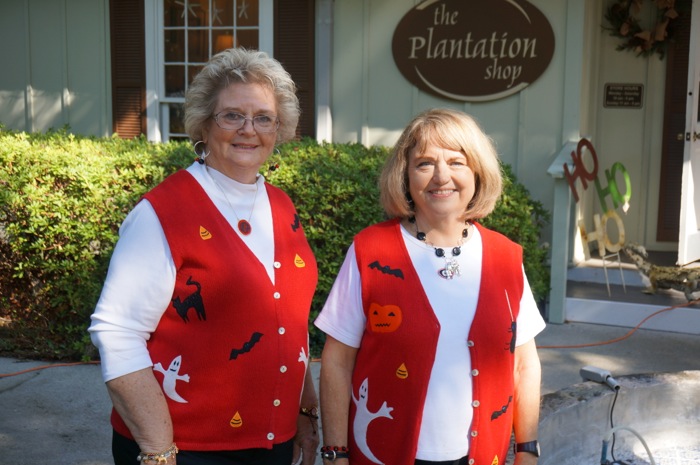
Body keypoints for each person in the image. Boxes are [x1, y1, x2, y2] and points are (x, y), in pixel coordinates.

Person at [89, 48, 319, 465]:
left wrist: (303, 412)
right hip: (185, 449)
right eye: (232, 115)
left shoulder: (282, 207)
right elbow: (117, 331)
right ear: (203, 124)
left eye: (263, 118)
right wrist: (158, 449)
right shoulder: (163, 212)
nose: (248, 130)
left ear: (278, 128)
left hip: (272, 443)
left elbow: (288, 322)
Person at [315, 108, 545, 465]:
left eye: (456, 162)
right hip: (380, 453)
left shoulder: (505, 257)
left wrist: (527, 449)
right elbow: (336, 361)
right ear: (405, 176)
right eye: (424, 163)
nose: (442, 177)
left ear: (477, 173)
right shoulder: (370, 251)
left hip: (483, 456)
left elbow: (524, 365)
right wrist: (335, 453)